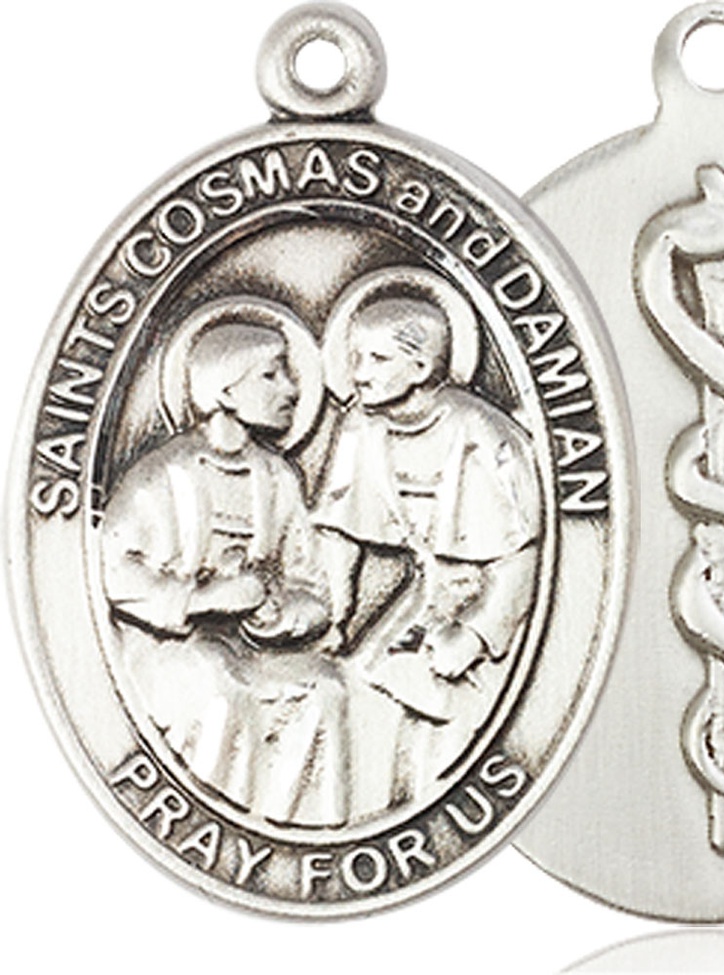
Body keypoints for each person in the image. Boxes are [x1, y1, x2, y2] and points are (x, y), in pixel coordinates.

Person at [101, 320, 347, 826]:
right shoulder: (164, 474)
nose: (292, 389)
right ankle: (210, 822)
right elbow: (115, 570)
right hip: (172, 650)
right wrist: (202, 598)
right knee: (219, 688)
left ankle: (287, 831)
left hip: (250, 650)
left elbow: (311, 586)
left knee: (325, 687)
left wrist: (281, 615)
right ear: (226, 391)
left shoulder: (277, 478)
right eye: (271, 375)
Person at [313, 291, 540, 818]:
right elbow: (339, 529)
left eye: (377, 359)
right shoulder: (362, 427)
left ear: (419, 367)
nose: (359, 374)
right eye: (355, 358)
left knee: (443, 727)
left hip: (488, 614)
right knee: (355, 688)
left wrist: (475, 635)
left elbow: (519, 557)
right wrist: (333, 611)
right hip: (425, 599)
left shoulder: (479, 433)